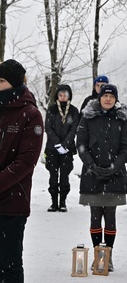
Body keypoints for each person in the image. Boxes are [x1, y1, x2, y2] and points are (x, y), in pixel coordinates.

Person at [0, 59, 43, 283]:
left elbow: (25, 162)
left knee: (11, 263)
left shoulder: (31, 114)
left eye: (2, 81)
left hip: (12, 203)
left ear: (15, 83)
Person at [77, 84, 127, 272]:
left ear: (116, 99)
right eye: (105, 95)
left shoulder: (121, 119)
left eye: (111, 96)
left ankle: (107, 255)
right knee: (95, 216)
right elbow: (81, 144)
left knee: (110, 216)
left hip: (114, 175)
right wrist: (92, 166)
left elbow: (126, 147)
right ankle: (96, 254)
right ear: (99, 98)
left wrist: (115, 166)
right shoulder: (88, 117)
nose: (108, 99)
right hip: (92, 174)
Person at [44, 84, 79, 212]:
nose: (63, 97)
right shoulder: (51, 110)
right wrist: (57, 144)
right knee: (53, 175)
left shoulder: (74, 111)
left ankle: (63, 201)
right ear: (57, 96)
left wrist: (65, 144)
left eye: (65, 95)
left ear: (69, 96)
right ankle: (54, 202)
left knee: (65, 175)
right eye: (60, 95)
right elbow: (48, 128)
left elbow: (74, 129)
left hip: (67, 149)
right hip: (52, 148)